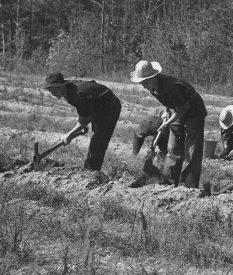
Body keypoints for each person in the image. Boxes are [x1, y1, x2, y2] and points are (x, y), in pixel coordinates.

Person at [130, 60, 208, 188]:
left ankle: (188, 186)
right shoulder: (152, 86)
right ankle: (169, 183)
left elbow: (183, 108)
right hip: (176, 110)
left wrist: (167, 123)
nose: (144, 85)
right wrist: (166, 112)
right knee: (173, 148)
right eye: (142, 83)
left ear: (153, 76)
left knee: (191, 150)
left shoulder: (171, 86)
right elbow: (168, 102)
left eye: (146, 82)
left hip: (193, 112)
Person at [43, 72, 122, 171]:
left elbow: (84, 119)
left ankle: (91, 174)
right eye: (50, 91)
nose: (52, 94)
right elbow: (85, 112)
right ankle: (90, 170)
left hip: (110, 107)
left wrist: (70, 134)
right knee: (93, 136)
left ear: (60, 86)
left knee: (97, 143)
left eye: (53, 91)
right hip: (97, 106)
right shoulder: (69, 89)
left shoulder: (77, 94)